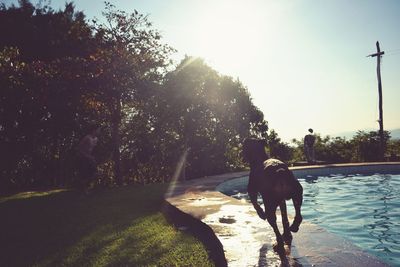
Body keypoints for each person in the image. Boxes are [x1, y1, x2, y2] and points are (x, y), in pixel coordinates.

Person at [76, 125, 100, 192]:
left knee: (95, 173)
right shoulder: (87, 137)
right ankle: (83, 189)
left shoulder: (96, 139)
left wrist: (91, 156)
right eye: (98, 130)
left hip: (89, 157)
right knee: (85, 174)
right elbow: (79, 148)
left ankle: (87, 187)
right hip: (82, 157)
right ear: (93, 130)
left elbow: (92, 149)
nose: (99, 131)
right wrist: (86, 155)